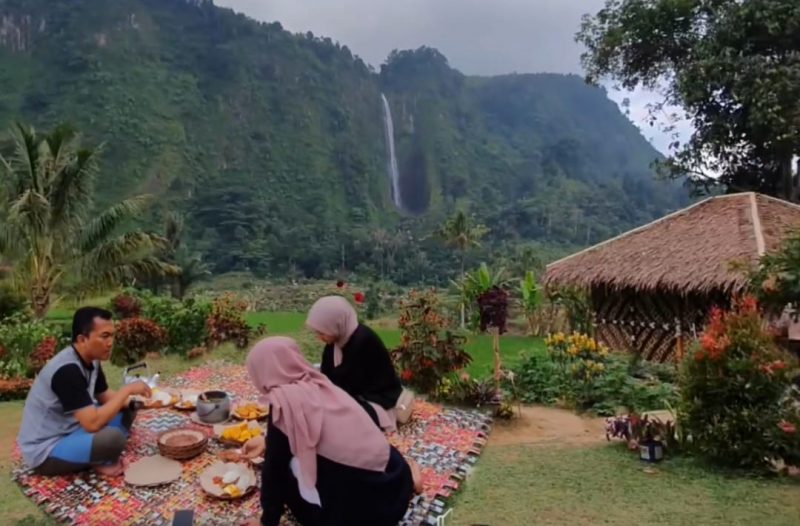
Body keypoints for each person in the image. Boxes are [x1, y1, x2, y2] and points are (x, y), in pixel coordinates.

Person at [242, 337, 420, 526]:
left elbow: (274, 471)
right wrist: (268, 441)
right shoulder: (321, 383)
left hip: (359, 518)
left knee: (285, 476)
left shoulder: (284, 402)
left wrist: (266, 522)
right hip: (394, 487)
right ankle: (411, 478)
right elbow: (313, 431)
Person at [17, 307, 151, 477]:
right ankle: (100, 457)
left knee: (127, 409)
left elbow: (104, 396)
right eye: (104, 336)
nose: (110, 343)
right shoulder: (67, 371)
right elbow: (92, 424)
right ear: (82, 339)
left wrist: (137, 402)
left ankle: (98, 454)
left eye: (112, 336)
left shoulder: (91, 360)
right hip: (47, 449)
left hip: (75, 430)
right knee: (113, 439)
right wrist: (126, 391)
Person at [305, 296, 402, 431]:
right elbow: (327, 376)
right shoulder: (335, 342)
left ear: (337, 324)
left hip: (375, 398)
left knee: (332, 419)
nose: (319, 337)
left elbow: (349, 385)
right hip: (350, 395)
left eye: (322, 332)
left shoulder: (363, 341)